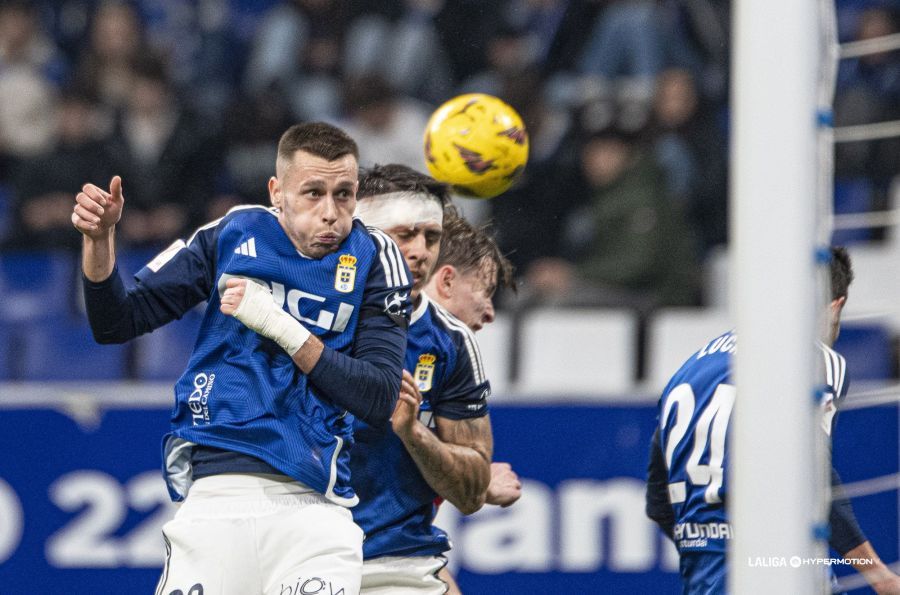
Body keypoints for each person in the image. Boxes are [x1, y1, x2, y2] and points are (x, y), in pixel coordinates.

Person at [71, 122, 412, 595]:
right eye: (313, 193)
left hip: (313, 510)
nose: (331, 213)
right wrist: (100, 240)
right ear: (277, 192)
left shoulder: (376, 256)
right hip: (214, 498)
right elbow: (116, 323)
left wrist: (278, 325)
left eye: (344, 194)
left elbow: (377, 396)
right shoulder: (232, 233)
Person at [645, 247, 900, 594]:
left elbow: (659, 502)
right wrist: (879, 576)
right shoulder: (818, 359)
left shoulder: (688, 369)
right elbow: (813, 474)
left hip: (704, 575)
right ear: (834, 307)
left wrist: (710, 546)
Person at [350, 164, 497, 594]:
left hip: (396, 565)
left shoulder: (452, 344)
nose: (420, 252)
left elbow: (471, 493)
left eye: (431, 238)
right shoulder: (306, 319)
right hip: (298, 554)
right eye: (404, 235)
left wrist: (415, 434)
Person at [423, 210, 523, 595]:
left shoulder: (445, 358)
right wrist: (478, 486)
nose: (491, 312)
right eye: (484, 290)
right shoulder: (394, 342)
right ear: (447, 280)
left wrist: (472, 481)